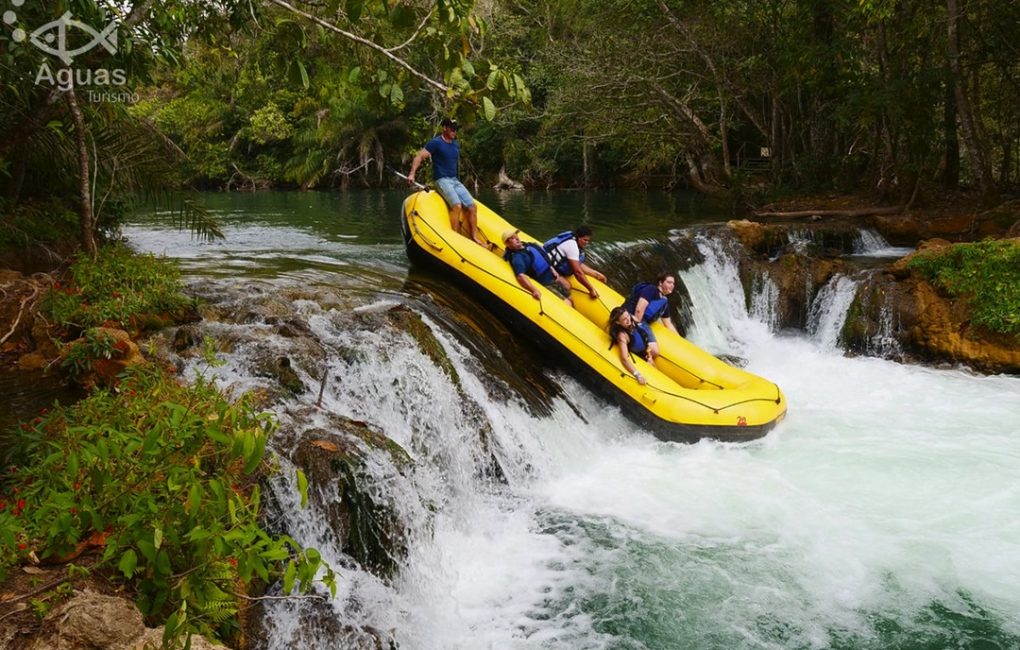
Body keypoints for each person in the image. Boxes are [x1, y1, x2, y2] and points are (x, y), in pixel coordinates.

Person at [407, 117, 486, 247]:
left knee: (472, 207)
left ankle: (474, 237)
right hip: (441, 179)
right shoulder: (436, 143)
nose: (455, 132)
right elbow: (419, 156)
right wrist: (412, 174)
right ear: (444, 128)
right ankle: (453, 237)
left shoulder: (456, 143)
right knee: (457, 205)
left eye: (456, 129)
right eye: (452, 129)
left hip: (454, 180)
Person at [502, 229, 573, 305]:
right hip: (545, 284)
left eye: (516, 236)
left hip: (552, 277)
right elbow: (520, 276)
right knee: (568, 303)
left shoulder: (528, 245)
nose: (516, 238)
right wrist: (534, 290)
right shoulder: (518, 257)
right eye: (512, 238)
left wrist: (552, 269)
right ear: (507, 244)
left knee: (570, 298)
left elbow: (544, 256)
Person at [544, 225, 607, 300]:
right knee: (567, 285)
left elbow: (576, 263)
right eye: (585, 240)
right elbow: (578, 273)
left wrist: (595, 274)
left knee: (566, 284)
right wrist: (591, 289)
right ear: (578, 237)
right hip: (546, 266)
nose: (586, 243)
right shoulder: (572, 246)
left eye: (588, 241)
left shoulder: (573, 239)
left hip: (552, 264)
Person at [608, 306, 658, 385]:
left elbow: (644, 338)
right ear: (618, 322)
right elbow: (624, 359)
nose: (628, 320)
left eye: (628, 316)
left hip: (646, 355)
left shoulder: (633, 320)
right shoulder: (622, 336)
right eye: (624, 319)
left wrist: (649, 355)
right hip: (640, 359)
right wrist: (638, 375)